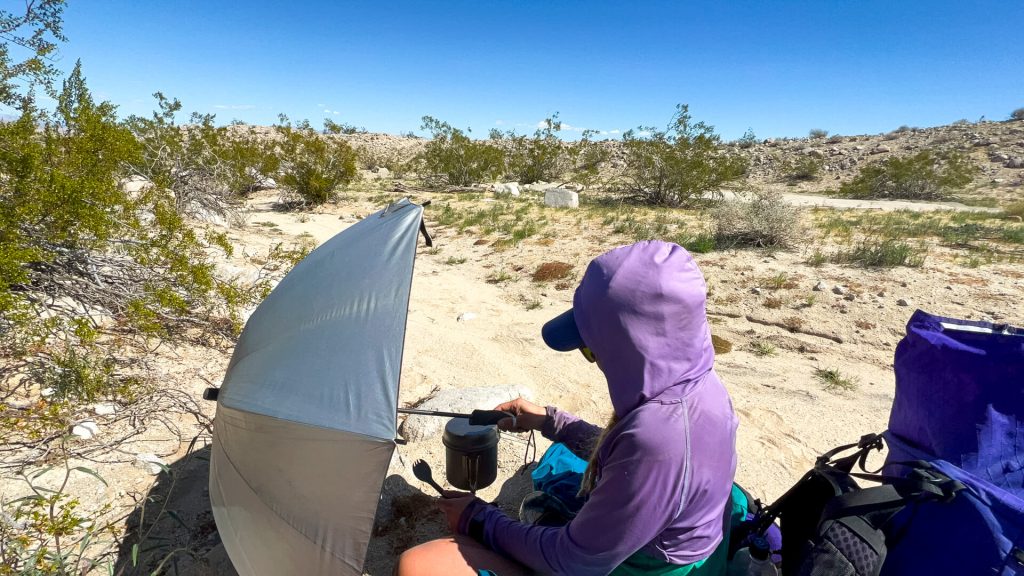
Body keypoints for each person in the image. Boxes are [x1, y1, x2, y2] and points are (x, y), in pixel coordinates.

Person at [397, 240, 739, 576]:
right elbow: (627, 455)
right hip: (664, 540)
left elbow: (575, 561)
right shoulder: (700, 385)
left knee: (422, 564)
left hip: (642, 568)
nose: (597, 362)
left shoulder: (660, 440)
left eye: (592, 350)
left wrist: (478, 518)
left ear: (632, 351)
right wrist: (551, 421)